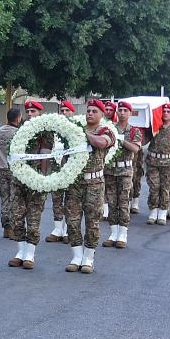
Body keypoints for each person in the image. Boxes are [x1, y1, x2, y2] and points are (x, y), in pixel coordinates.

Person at [64, 100, 115, 274]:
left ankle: (88, 258)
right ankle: (76, 256)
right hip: (75, 183)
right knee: (72, 221)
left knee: (92, 222)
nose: (90, 113)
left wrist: (83, 134)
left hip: (94, 184)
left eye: (94, 111)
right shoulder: (74, 129)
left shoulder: (106, 131)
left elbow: (101, 143)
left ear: (102, 114)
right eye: (88, 111)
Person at [8, 101, 50, 269]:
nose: (30, 113)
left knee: (33, 218)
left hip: (35, 178)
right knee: (17, 216)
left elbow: (45, 156)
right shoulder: (21, 128)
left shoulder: (46, 131)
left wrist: (43, 179)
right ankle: (20, 251)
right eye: (28, 111)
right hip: (19, 178)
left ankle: (30, 253)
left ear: (40, 112)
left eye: (33, 111)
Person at [103, 101, 143, 249]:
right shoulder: (109, 128)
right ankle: (113, 233)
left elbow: (135, 148)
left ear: (130, 113)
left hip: (125, 171)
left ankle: (123, 234)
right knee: (112, 202)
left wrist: (120, 139)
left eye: (125, 110)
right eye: (120, 110)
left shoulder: (134, 131)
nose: (121, 112)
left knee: (124, 201)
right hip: (110, 170)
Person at [146, 103, 170, 226]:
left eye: (168, 111)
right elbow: (145, 139)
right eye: (164, 111)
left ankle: (163, 212)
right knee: (154, 187)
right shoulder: (155, 126)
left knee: (165, 188)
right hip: (153, 162)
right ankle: (153, 211)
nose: (165, 113)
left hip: (168, 163)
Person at [46, 100, 76, 242]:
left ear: (72, 112)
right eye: (62, 110)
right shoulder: (54, 129)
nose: (64, 113)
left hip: (71, 169)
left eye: (67, 110)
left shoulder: (77, 129)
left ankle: (69, 230)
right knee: (57, 199)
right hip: (56, 168)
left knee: (71, 200)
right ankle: (58, 228)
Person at [0, 107, 22, 239]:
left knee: (4, 199)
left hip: (2, 170)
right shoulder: (18, 133)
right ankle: (13, 228)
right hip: (13, 170)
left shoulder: (0, 131)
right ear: (18, 118)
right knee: (14, 200)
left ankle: (6, 228)